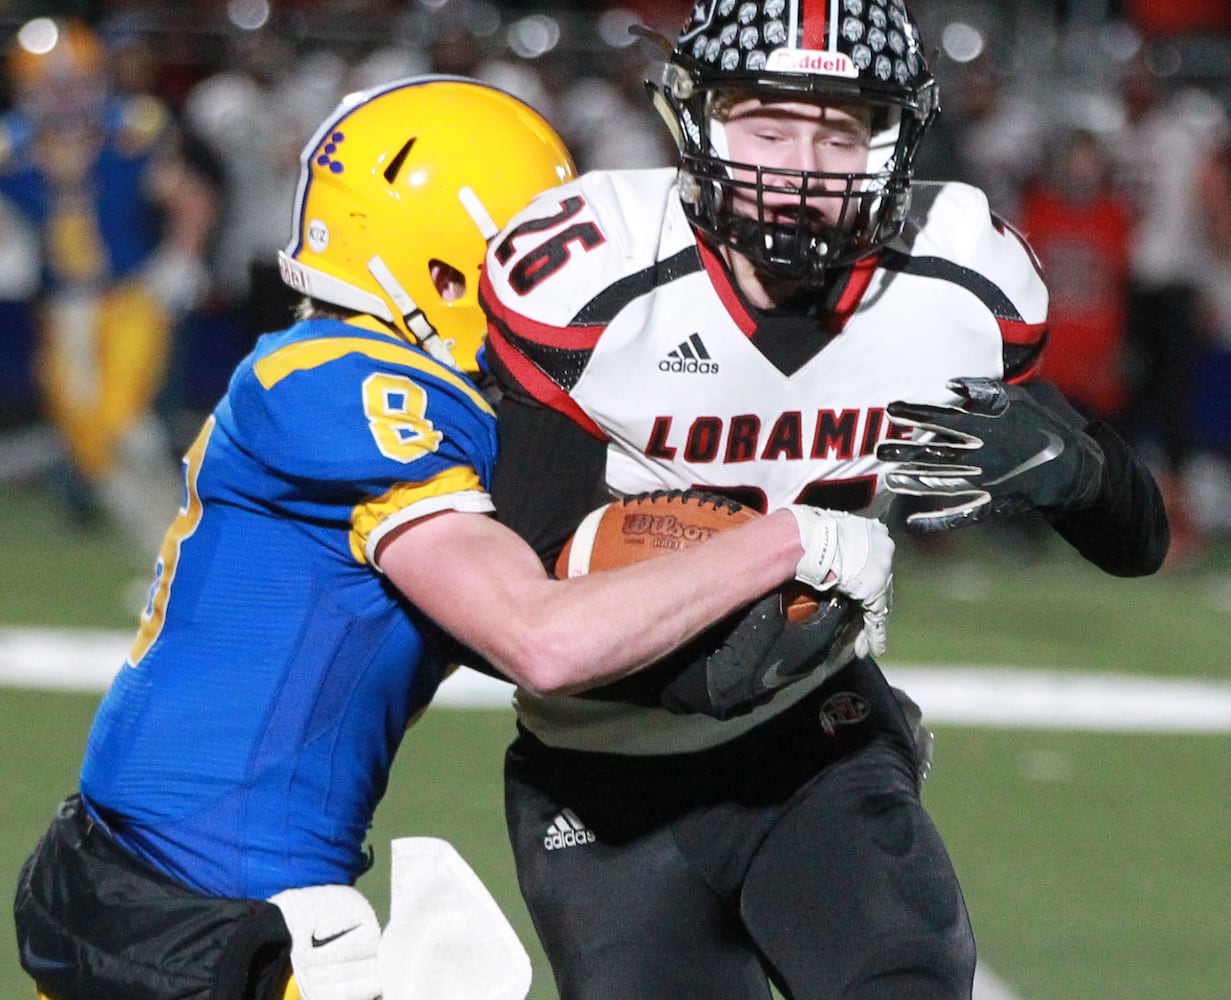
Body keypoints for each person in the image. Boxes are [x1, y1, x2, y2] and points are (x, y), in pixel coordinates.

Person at [13, 75, 895, 1000]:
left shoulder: (351, 378)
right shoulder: (342, 378)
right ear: (445, 273)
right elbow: (542, 637)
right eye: (536, 253)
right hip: (189, 922)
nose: (568, 281)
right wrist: (791, 541)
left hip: (161, 896)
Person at [479, 3, 1170, 999]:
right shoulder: (600, 280)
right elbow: (509, 580)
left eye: (839, 130)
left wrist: (1082, 472)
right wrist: (697, 660)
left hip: (818, 736)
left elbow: (1133, 541)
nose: (800, 163)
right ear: (701, 121)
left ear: (893, 141)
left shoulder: (951, 283)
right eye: (766, 121)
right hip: (602, 762)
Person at [0, 17, 219, 555]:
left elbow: (193, 199)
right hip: (61, 308)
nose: (66, 99)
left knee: (122, 422)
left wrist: (179, 260)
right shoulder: (14, 150)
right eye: (52, 87)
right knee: (87, 438)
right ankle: (167, 551)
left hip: (129, 299)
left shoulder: (129, 135)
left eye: (75, 83)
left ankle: (180, 552)